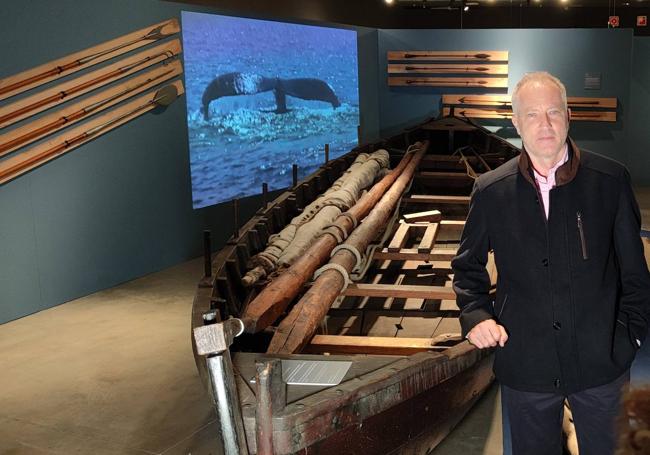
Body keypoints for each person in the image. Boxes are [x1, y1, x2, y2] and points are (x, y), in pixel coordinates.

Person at [451, 71, 650, 454]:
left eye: (553, 113)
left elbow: (635, 273)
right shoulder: (492, 191)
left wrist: (630, 337)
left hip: (602, 364)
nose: (544, 124)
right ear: (515, 122)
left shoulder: (610, 181)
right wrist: (476, 315)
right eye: (532, 115)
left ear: (568, 115)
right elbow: (467, 268)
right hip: (526, 362)